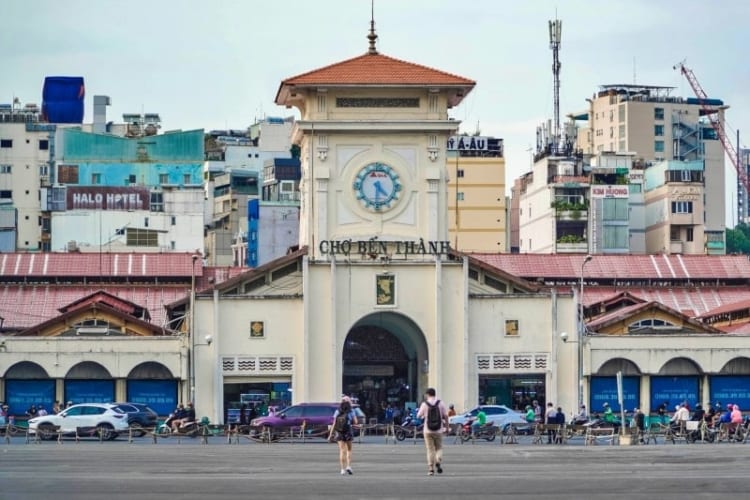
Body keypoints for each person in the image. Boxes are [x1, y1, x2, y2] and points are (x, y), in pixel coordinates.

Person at [416, 387, 448, 477]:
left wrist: (424, 416)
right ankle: (438, 460)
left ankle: (431, 469)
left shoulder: (424, 404)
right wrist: (447, 427)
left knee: (430, 450)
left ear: (427, 394)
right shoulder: (440, 403)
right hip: (439, 430)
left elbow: (418, 416)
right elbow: (446, 416)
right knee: (439, 448)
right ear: (434, 394)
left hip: (427, 430)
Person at [329, 396, 358, 475]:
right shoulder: (351, 411)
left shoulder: (337, 411)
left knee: (342, 451)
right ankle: (348, 466)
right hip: (348, 431)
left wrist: (330, 434)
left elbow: (334, 423)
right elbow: (355, 422)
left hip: (339, 432)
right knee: (349, 450)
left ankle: (342, 469)